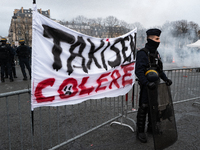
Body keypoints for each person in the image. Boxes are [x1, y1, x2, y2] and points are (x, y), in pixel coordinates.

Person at [135, 28, 172, 143]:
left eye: (159, 38)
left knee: (154, 107)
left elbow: (159, 70)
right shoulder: (142, 53)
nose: (159, 41)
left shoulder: (156, 54)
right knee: (144, 107)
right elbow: (139, 71)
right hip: (146, 86)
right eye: (157, 39)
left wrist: (166, 79)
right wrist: (146, 83)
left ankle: (151, 128)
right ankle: (140, 131)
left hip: (155, 85)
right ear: (150, 39)